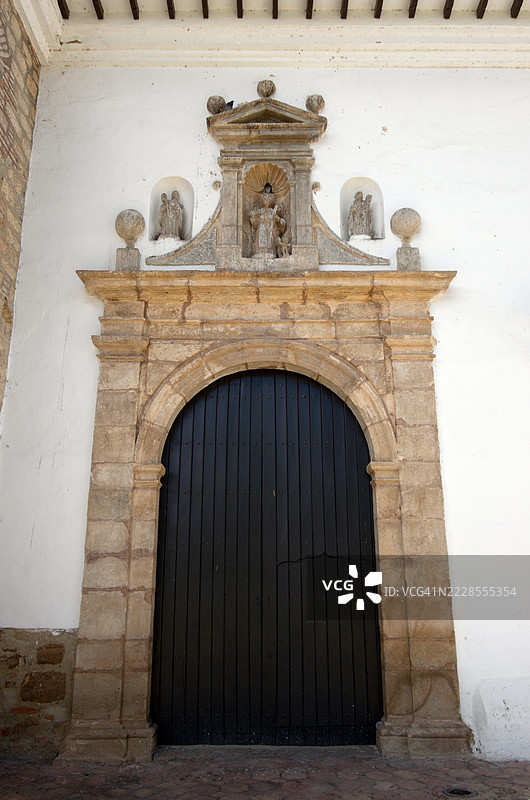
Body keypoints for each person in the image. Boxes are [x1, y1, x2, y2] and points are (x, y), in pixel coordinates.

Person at [249, 183, 286, 257]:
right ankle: (260, 253)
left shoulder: (272, 211)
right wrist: (255, 217)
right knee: (261, 241)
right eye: (265, 199)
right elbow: (253, 220)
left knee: (270, 241)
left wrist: (277, 218)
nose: (266, 201)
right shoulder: (260, 211)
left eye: (268, 199)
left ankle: (271, 253)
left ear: (271, 200)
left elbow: (282, 223)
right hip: (261, 229)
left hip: (270, 229)